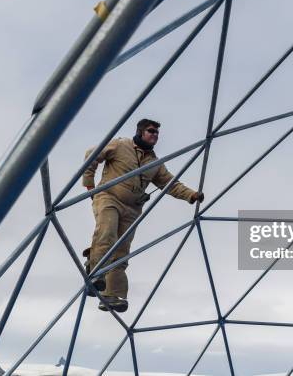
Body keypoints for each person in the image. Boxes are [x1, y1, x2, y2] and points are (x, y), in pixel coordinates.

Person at [81, 119, 204, 312]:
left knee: (121, 252)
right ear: (140, 132)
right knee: (107, 234)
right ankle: (96, 275)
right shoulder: (120, 145)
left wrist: (191, 195)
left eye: (157, 133)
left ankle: (112, 295)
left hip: (132, 209)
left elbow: (169, 183)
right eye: (151, 131)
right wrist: (90, 186)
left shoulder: (154, 162)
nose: (154, 135)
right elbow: (92, 154)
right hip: (109, 197)